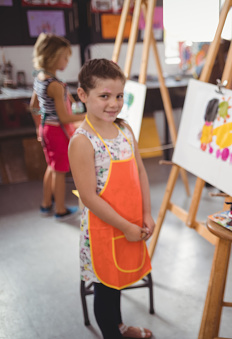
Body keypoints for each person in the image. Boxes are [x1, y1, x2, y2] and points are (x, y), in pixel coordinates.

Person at [68, 59, 154, 339]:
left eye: (119, 96)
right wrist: (126, 226)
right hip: (103, 230)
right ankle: (111, 333)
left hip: (130, 221)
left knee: (118, 280)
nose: (113, 103)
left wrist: (146, 214)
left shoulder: (125, 129)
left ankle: (119, 327)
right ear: (83, 95)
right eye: (104, 96)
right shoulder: (82, 141)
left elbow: (140, 171)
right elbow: (90, 197)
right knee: (105, 286)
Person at [30, 33, 84, 219]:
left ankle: (46, 204)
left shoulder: (40, 78)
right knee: (60, 171)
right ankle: (60, 210)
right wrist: (89, 116)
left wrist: (39, 127)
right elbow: (64, 118)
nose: (67, 61)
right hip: (56, 131)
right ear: (52, 57)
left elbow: (33, 107)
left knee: (52, 167)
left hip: (46, 129)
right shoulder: (55, 85)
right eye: (65, 57)